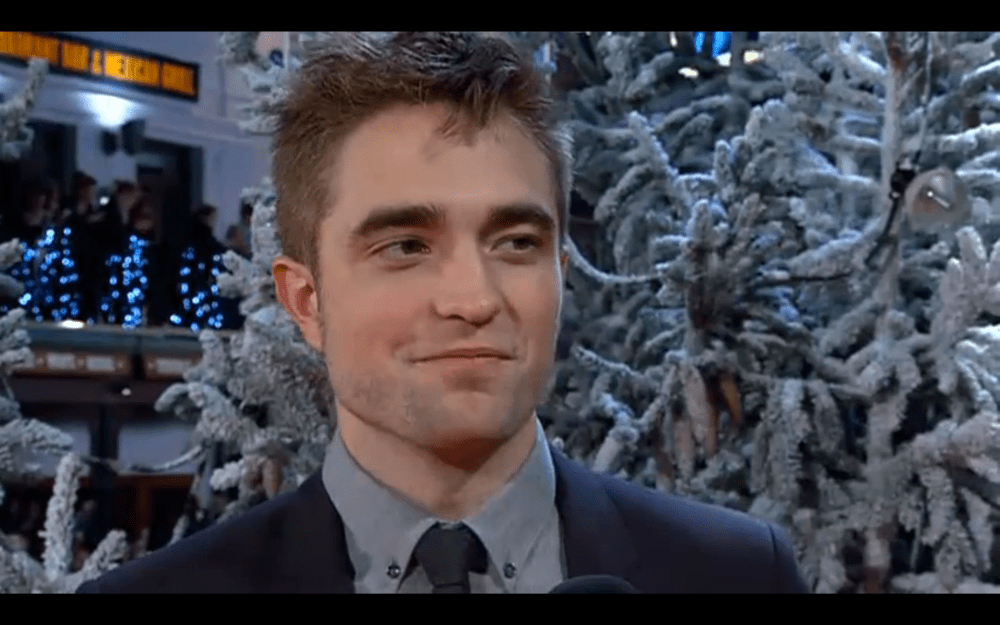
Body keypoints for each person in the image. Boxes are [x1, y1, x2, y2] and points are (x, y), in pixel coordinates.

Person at [77, 32, 809, 594]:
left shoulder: (741, 574)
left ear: (560, 275)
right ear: (307, 300)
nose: (474, 299)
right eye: (405, 246)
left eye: (516, 242)